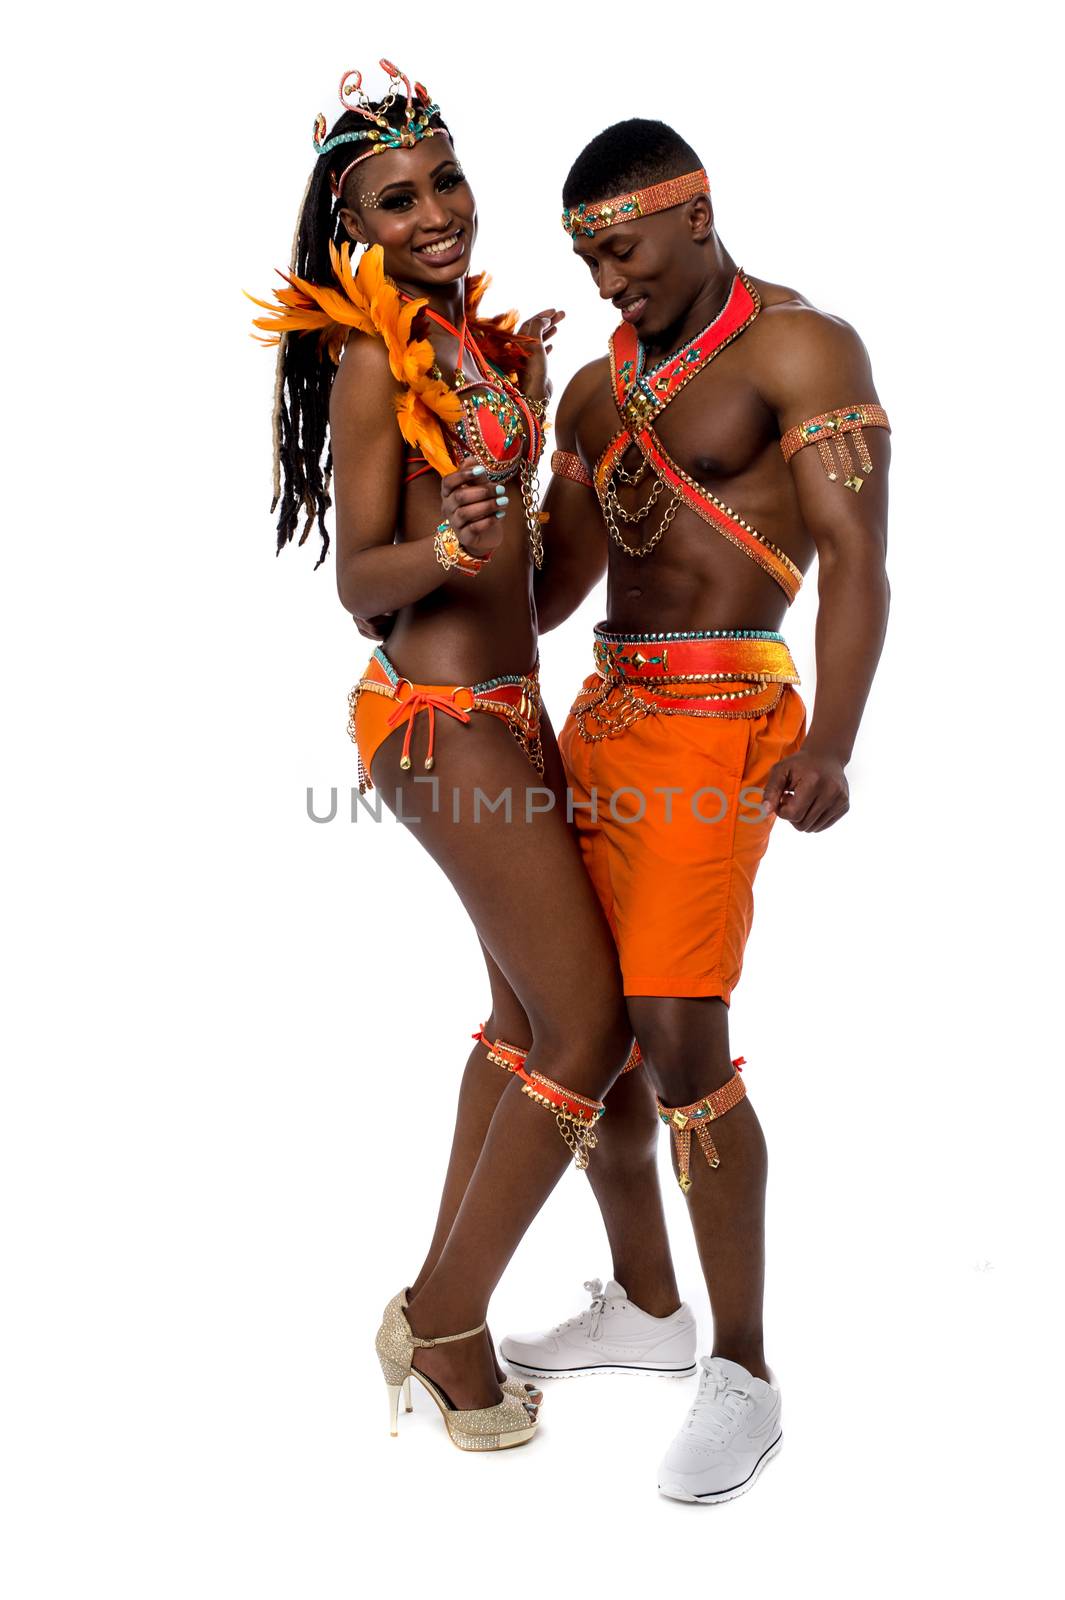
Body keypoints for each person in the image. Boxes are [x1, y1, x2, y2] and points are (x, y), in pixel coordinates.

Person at [248, 62, 638, 1454]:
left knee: (535, 1028)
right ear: (351, 223)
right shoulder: (370, 356)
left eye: (448, 181)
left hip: (508, 709)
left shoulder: (472, 346)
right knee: (594, 1032)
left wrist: (555, 496)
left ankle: (437, 1308)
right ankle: (446, 1322)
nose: (436, 213)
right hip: (438, 728)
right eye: (396, 197)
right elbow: (364, 578)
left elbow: (522, 603)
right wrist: (454, 546)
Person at [499, 118, 891, 1504]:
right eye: (586, 256)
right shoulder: (597, 398)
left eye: (623, 248)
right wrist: (504, 445)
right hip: (598, 719)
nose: (608, 281)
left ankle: (741, 1368)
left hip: (723, 723)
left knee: (678, 1038)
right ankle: (647, 1311)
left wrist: (832, 742)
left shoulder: (803, 350)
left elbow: (855, 563)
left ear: (694, 214)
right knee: (586, 1028)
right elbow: (546, 603)